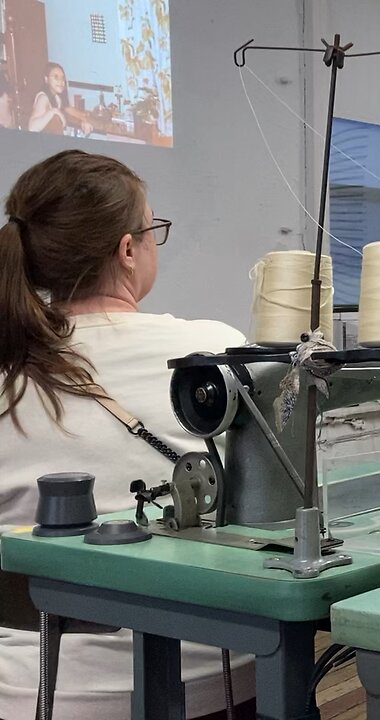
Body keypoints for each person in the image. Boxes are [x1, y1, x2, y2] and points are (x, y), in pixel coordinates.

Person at [0, 150, 252, 718]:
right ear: (128, 248)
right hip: (213, 682)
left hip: (30, 689)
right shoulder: (210, 355)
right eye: (152, 229)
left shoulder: (8, 372)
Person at [26, 62, 91, 135]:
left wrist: (84, 120)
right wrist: (54, 111)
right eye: (56, 77)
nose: (61, 81)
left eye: (62, 78)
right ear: (46, 79)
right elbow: (32, 128)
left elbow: (68, 109)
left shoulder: (57, 97)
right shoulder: (43, 98)